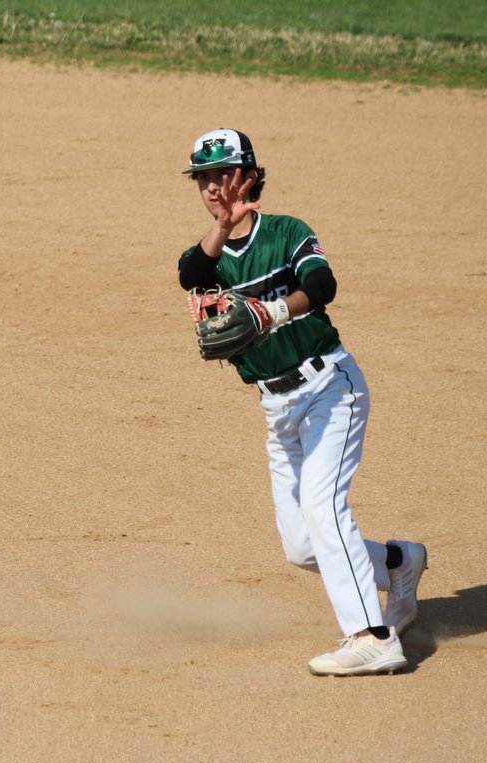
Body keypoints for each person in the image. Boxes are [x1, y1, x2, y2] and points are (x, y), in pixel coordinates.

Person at [176, 128, 428, 676]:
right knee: (301, 546)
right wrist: (219, 227)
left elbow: (322, 283)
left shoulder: (288, 232)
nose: (215, 187)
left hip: (330, 389)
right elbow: (189, 276)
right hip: (277, 409)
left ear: (249, 176)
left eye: (224, 175)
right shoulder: (212, 258)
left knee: (322, 508)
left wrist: (273, 312)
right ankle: (398, 563)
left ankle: (372, 636)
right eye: (204, 179)